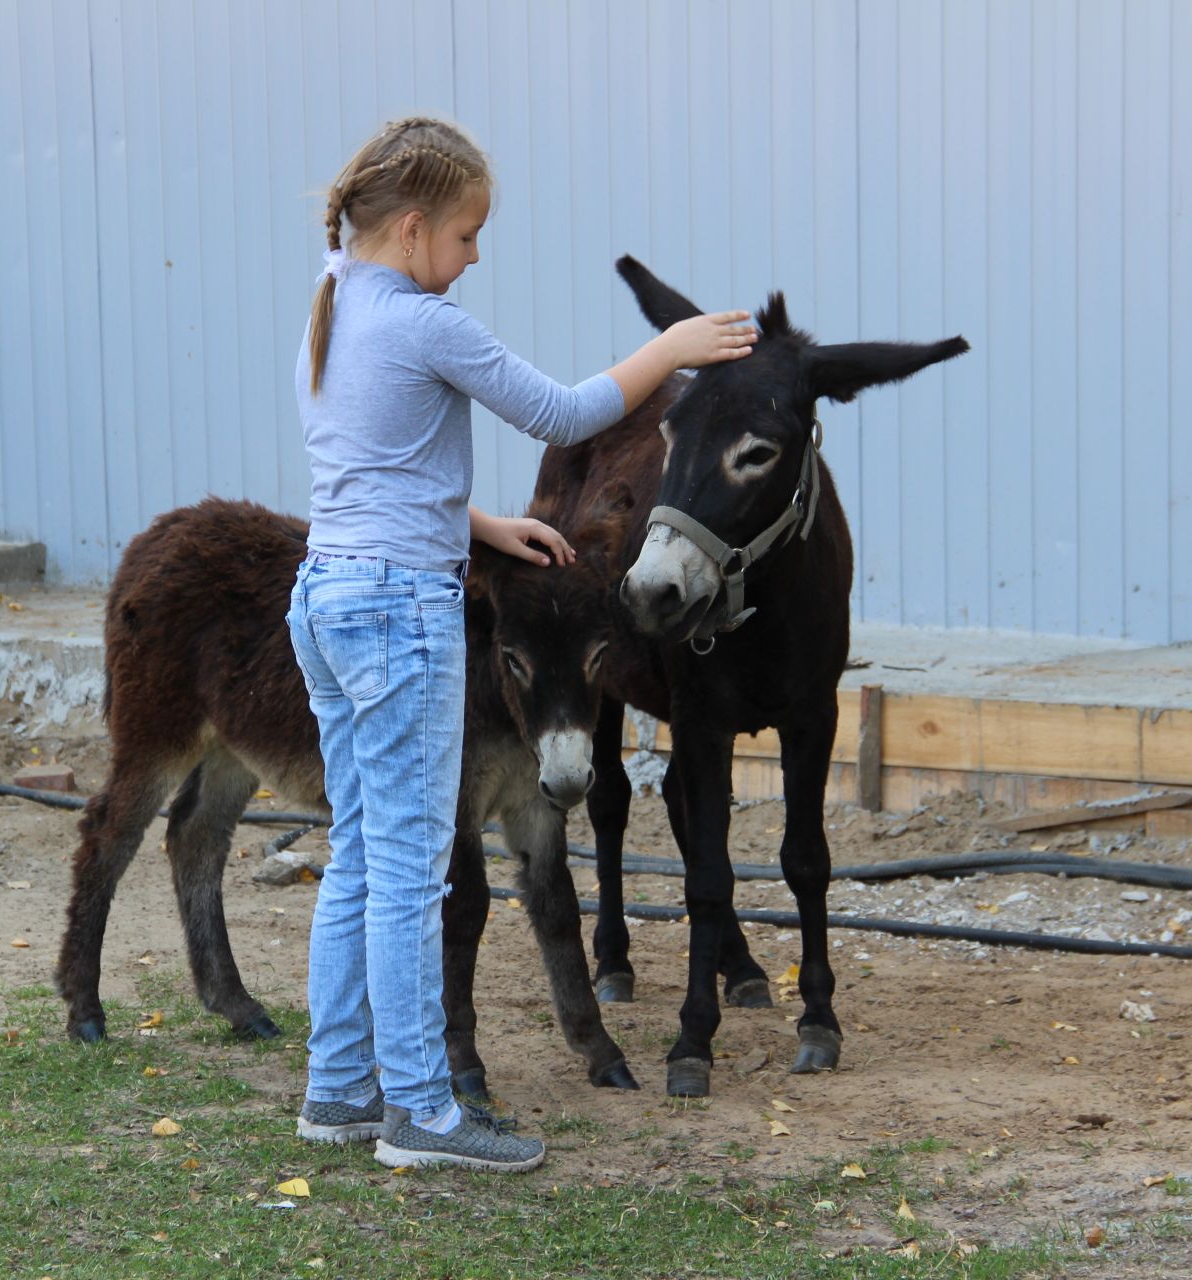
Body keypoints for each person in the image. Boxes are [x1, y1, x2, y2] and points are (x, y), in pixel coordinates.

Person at [285, 116, 756, 1173]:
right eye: (467, 235)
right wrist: (671, 349)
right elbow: (564, 407)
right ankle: (419, 1108)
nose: (475, 256)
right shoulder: (422, 320)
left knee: (359, 855)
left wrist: (484, 526)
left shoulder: (335, 301)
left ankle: (339, 1087)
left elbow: (373, 469)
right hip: (398, 612)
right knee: (411, 871)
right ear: (412, 231)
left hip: (327, 598)